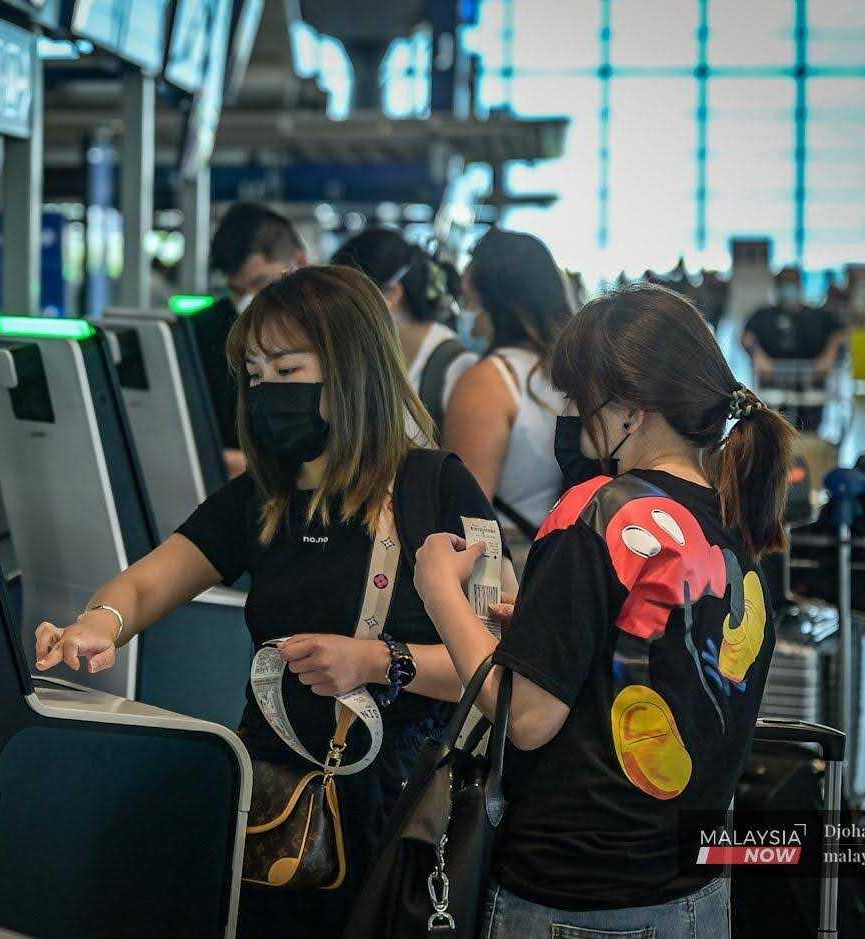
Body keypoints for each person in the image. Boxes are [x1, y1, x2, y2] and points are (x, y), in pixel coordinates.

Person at [34, 265, 511, 939]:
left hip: (401, 810)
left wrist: (377, 660)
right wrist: (97, 623)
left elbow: (497, 670)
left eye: (287, 372)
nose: (265, 393)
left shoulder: (436, 488)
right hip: (272, 802)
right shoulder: (264, 498)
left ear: (351, 371)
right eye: (254, 375)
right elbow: (145, 583)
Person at [414, 284, 794, 939]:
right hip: (695, 896)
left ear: (629, 409)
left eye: (577, 399)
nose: (574, 418)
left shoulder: (600, 509)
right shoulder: (737, 516)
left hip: (575, 897)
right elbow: (665, 655)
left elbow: (527, 717)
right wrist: (537, 631)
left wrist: (441, 594)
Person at [442, 228, 575, 560]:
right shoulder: (575, 372)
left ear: (495, 301)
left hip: (507, 565)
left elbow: (468, 518)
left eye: (468, 299)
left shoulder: (487, 383)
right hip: (562, 555)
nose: (464, 312)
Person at [193, 203, 309, 476]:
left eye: (260, 285)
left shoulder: (334, 331)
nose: (247, 303)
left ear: (300, 262)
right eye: (236, 290)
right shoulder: (206, 331)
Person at [331, 227, 475, 432]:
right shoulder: (364, 359)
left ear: (391, 294)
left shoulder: (453, 366)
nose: (337, 317)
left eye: (347, 302)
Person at [741, 266, 847, 432]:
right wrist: (758, 356)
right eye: (784, 285)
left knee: (810, 429)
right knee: (775, 427)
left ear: (799, 286)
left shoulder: (818, 316)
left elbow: (839, 334)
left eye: (791, 284)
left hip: (812, 379)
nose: (788, 290)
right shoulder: (763, 315)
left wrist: (828, 356)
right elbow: (747, 338)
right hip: (774, 380)